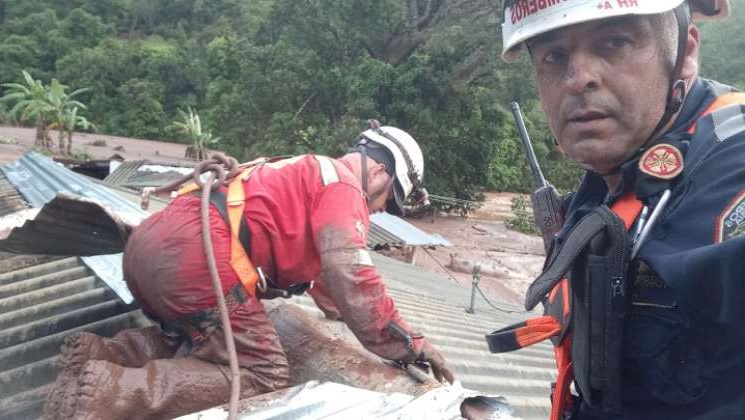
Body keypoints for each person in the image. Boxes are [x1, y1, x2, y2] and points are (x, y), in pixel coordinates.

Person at [44, 122, 454, 420]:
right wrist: (409, 344)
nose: (382, 210)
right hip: (196, 261)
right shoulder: (345, 186)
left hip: (149, 250)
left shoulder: (304, 169)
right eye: (389, 199)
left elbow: (330, 283)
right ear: (380, 172)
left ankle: (99, 356)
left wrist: (339, 317)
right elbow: (351, 271)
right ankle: (105, 396)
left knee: (209, 342)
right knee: (262, 370)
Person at [497, 1, 745, 419]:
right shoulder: (606, 176)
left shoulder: (730, 168)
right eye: (554, 56)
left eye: (615, 42)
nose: (578, 80)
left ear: (684, 53)